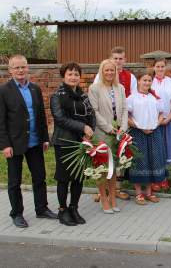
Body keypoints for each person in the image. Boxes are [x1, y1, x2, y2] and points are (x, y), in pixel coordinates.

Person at [0, 55, 57, 228]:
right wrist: (4, 145)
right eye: (16, 67)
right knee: (14, 181)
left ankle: (42, 208)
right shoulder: (4, 91)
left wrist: (45, 138)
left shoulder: (34, 88)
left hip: (35, 142)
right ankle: (16, 213)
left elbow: (41, 115)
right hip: (14, 143)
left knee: (39, 177)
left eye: (23, 67)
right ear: (10, 70)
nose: (20, 70)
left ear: (27, 68)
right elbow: (1, 120)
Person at [50, 62, 96, 226]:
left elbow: (91, 115)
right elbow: (60, 119)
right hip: (64, 142)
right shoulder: (57, 95)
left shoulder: (83, 96)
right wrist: (82, 127)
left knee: (78, 177)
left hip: (81, 142)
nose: (73, 77)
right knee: (64, 178)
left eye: (76, 74)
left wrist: (90, 133)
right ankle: (63, 210)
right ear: (64, 76)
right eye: (70, 74)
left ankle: (74, 208)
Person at [93, 46, 136, 201]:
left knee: (119, 157)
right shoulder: (98, 79)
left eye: (120, 58)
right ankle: (102, 191)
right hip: (104, 125)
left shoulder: (129, 79)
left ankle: (116, 189)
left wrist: (125, 124)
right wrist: (107, 125)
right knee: (103, 158)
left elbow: (130, 103)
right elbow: (95, 106)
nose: (117, 62)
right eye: (115, 58)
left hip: (122, 124)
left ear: (125, 59)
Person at [88, 59, 128, 213]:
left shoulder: (120, 88)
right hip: (102, 133)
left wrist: (123, 127)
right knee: (102, 168)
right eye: (107, 70)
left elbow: (124, 109)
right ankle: (104, 199)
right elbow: (95, 112)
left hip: (117, 134)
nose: (110, 73)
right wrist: (109, 128)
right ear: (101, 71)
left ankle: (113, 198)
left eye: (112, 70)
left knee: (113, 168)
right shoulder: (94, 89)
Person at [127, 72, 167, 204]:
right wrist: (140, 126)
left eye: (149, 80)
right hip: (138, 133)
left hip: (154, 133)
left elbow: (162, 113)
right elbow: (126, 116)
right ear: (138, 81)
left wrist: (156, 123)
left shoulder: (154, 98)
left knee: (152, 160)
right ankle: (139, 193)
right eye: (144, 80)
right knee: (139, 161)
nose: (147, 83)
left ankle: (149, 192)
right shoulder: (132, 98)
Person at [151, 58, 171, 191]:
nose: (160, 69)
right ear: (153, 68)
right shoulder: (149, 82)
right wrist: (157, 120)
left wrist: (169, 117)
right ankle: (155, 179)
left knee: (166, 149)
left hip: (168, 121)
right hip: (154, 123)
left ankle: (164, 178)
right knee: (156, 150)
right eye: (158, 66)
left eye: (162, 66)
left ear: (166, 68)